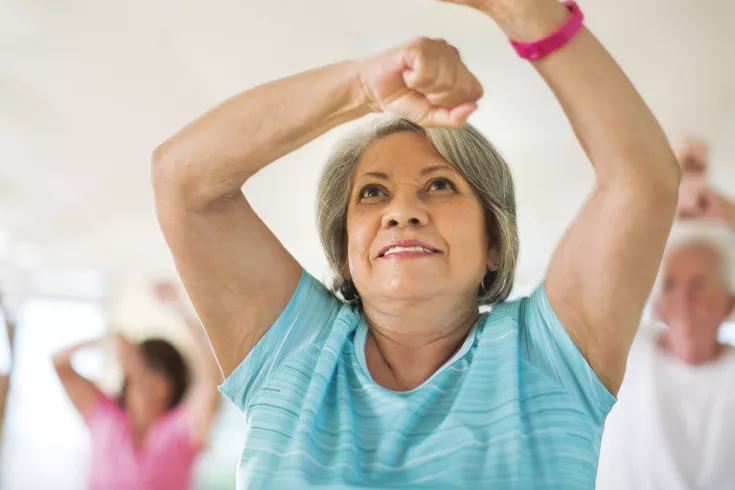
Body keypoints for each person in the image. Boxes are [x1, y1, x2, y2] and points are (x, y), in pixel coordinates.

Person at [152, 0, 680, 487]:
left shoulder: (548, 354)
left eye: (439, 185)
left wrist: (531, 16)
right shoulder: (296, 352)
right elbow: (183, 180)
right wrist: (361, 87)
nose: (401, 211)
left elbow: (641, 184)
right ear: (345, 248)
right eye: (373, 193)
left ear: (493, 241)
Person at [597, 145, 735, 490]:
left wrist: (727, 213)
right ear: (657, 305)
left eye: (700, 284)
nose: (684, 298)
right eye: (671, 285)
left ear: (729, 303)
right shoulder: (629, 355)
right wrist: (666, 193)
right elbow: (608, 261)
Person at [52, 285, 220, 490]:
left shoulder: (181, 430)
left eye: (155, 371)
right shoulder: (104, 414)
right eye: (141, 368)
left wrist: (180, 310)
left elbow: (211, 378)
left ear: (171, 385)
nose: (144, 379)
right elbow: (59, 362)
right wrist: (105, 339)